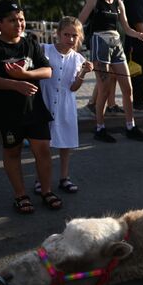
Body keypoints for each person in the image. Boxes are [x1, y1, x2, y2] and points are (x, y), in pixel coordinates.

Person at [0, 0, 62, 213]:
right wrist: (16, 85)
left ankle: (46, 190)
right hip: (8, 113)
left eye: (21, 19)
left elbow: (48, 70)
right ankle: (20, 195)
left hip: (35, 109)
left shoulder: (30, 42)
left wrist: (25, 75)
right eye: (12, 20)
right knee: (12, 152)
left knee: (42, 150)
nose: (19, 24)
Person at [78, 0, 143, 143]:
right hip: (99, 42)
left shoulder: (119, 2)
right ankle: (100, 128)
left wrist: (139, 35)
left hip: (116, 44)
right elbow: (79, 22)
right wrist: (74, 44)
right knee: (104, 88)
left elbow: (125, 28)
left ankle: (130, 126)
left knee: (128, 87)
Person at [39, 16, 93, 194]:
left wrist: (83, 72)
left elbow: (73, 87)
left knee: (65, 144)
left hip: (65, 104)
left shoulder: (78, 58)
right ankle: (41, 179)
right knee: (43, 145)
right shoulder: (44, 50)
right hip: (45, 102)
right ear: (58, 34)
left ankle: (64, 177)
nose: (70, 39)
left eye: (74, 36)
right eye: (66, 34)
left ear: (79, 37)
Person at [86, 0, 130, 115]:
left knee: (111, 77)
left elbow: (124, 25)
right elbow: (83, 19)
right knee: (105, 79)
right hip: (100, 40)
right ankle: (98, 106)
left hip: (114, 41)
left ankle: (106, 104)